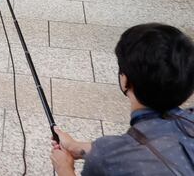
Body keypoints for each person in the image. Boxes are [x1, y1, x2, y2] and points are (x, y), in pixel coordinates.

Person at [50, 23, 194, 176]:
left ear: (125, 80)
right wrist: (76, 147)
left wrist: (64, 169)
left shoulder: (106, 157)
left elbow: (115, 156)